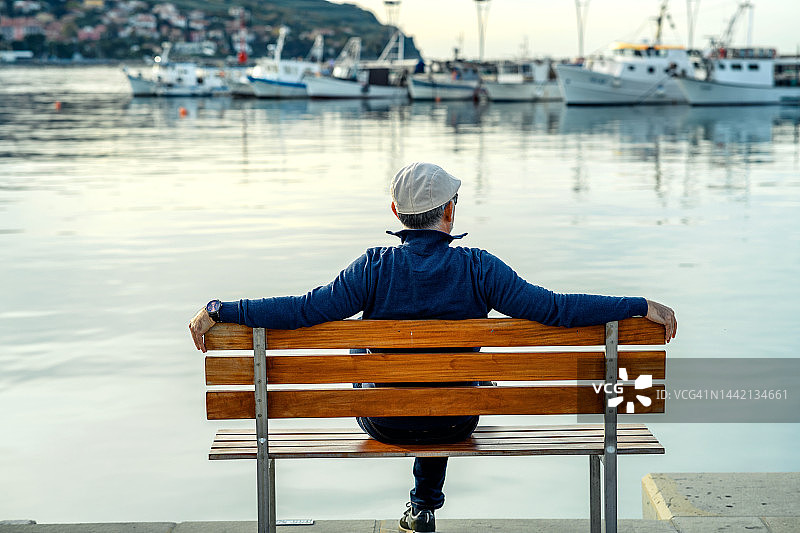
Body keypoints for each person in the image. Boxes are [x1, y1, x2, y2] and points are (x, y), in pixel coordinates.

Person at [189, 162, 677, 533]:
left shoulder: (372, 268)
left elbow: (300, 310)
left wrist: (222, 308)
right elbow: (555, 309)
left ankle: (421, 502)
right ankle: (423, 503)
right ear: (449, 211)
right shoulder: (479, 267)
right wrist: (635, 304)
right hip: (457, 419)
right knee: (452, 384)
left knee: (395, 373)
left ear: (397, 213)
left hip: (382, 419)